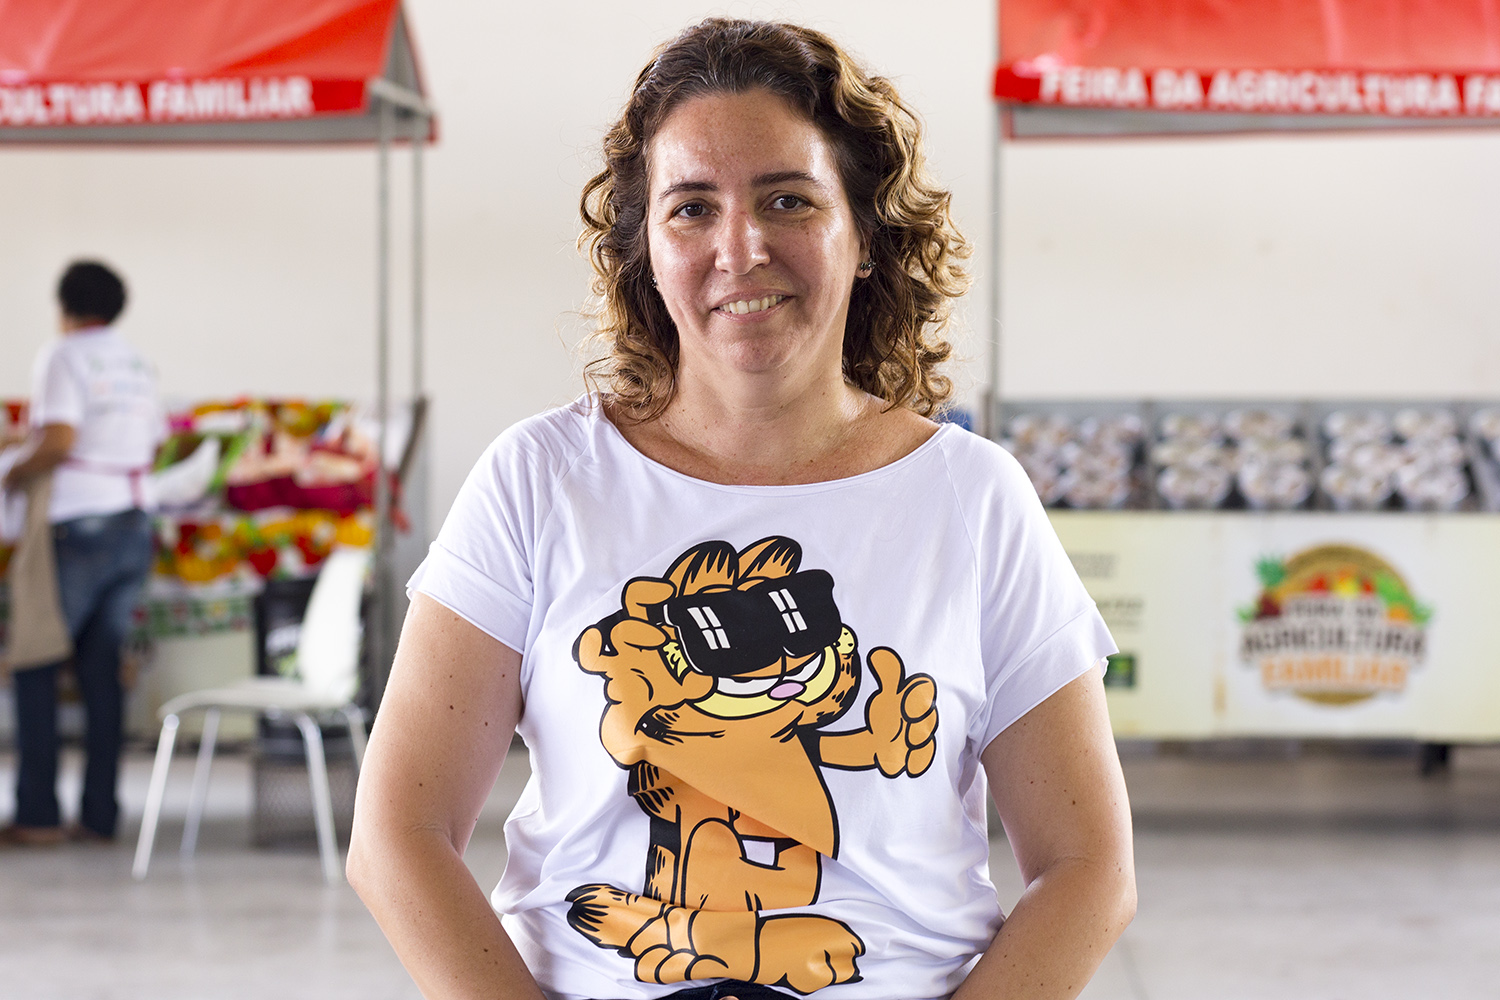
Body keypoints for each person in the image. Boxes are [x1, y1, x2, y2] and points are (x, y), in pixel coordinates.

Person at [349, 19, 1134, 1000]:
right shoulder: (539, 480)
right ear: (646, 248)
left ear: (865, 236)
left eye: (788, 199)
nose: (741, 247)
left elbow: (1089, 869)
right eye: (690, 209)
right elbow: (398, 835)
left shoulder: (972, 501)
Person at [2, 260, 161, 844]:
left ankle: (38, 814)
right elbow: (151, 440)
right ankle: (100, 815)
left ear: (65, 306)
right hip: (132, 519)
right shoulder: (137, 363)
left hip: (77, 524)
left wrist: (13, 471)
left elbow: (62, 438)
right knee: (101, 672)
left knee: (37, 663)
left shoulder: (63, 355)